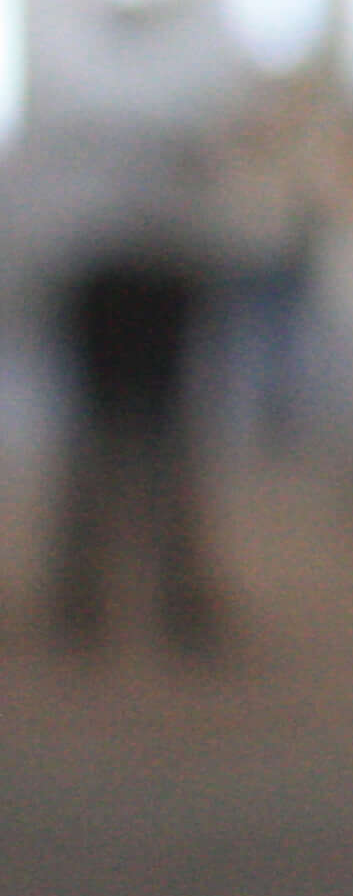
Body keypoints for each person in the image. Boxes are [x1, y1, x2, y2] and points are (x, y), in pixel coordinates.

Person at [47, 243, 219, 655]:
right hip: (137, 268)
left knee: (114, 442)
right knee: (146, 442)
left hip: (106, 269)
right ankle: (165, 593)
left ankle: (87, 593)